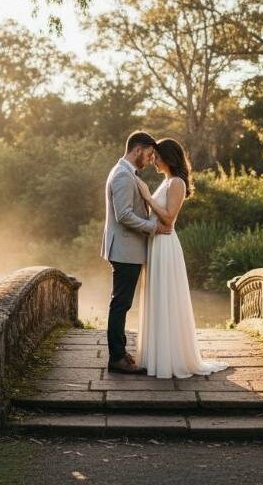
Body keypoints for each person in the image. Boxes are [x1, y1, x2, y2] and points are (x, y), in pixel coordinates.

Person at [134, 138, 228, 378]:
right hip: (157, 244)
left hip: (166, 245)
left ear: (167, 158)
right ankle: (156, 355)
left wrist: (147, 197)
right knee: (157, 298)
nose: (152, 159)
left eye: (156, 156)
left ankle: (171, 358)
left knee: (166, 297)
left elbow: (168, 219)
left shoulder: (177, 183)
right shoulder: (167, 181)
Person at [100, 131, 171, 374]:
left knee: (122, 303)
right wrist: (154, 228)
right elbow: (124, 215)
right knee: (120, 304)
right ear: (137, 150)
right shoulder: (122, 175)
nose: (151, 159)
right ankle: (116, 359)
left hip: (126, 248)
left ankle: (119, 352)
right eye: (149, 153)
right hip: (124, 249)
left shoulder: (126, 172)